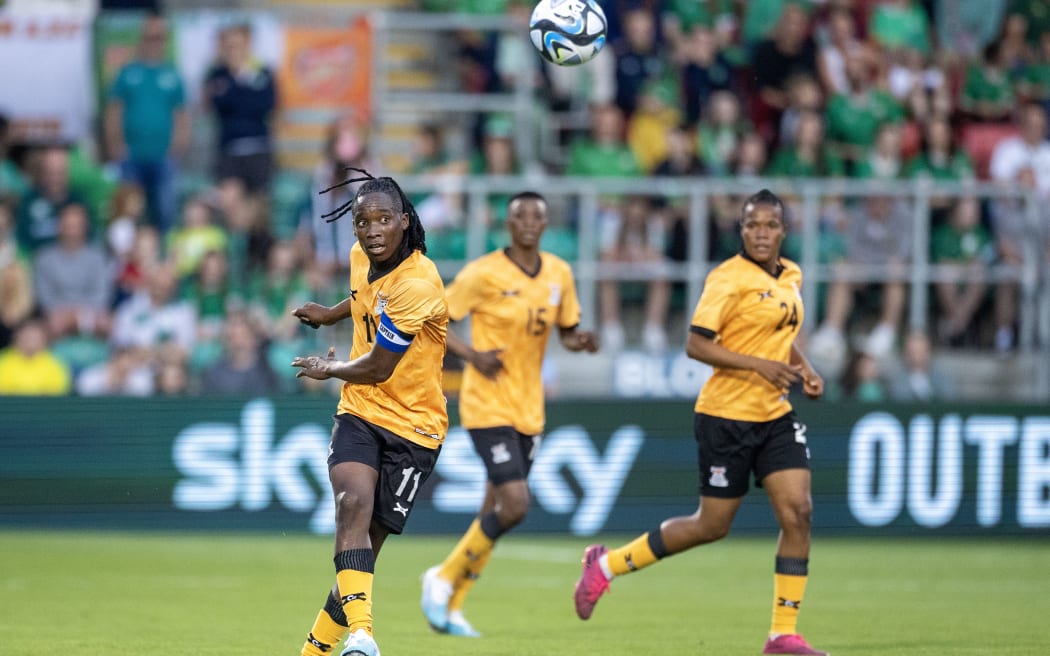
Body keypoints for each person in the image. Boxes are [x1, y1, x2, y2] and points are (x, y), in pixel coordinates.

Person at [572, 189, 829, 656]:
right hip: (725, 417)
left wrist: (804, 368)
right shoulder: (726, 279)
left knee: (800, 512)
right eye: (752, 225)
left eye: (770, 225)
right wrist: (759, 365)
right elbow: (696, 344)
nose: (761, 233)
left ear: (783, 231)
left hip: (774, 414)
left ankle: (781, 634)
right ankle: (606, 566)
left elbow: (779, 335)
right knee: (711, 525)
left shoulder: (792, 274)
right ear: (742, 230)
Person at [419, 191, 599, 637]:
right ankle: (441, 577)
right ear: (509, 223)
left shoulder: (559, 272)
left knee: (493, 509)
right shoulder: (483, 273)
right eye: (521, 216)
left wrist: (581, 342)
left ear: (546, 222)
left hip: (528, 408)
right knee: (516, 504)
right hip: (486, 404)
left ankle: (454, 604)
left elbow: (568, 330)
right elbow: (433, 319)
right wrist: (472, 356)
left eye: (539, 215)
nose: (530, 223)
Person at [290, 170, 448, 656]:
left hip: (415, 427)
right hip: (360, 412)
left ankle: (314, 651)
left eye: (383, 219)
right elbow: (365, 297)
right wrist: (331, 314)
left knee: (361, 557)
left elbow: (379, 366)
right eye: (362, 221)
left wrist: (331, 368)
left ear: (405, 221)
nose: (372, 230)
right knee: (350, 508)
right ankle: (362, 638)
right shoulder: (362, 257)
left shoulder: (420, 283)